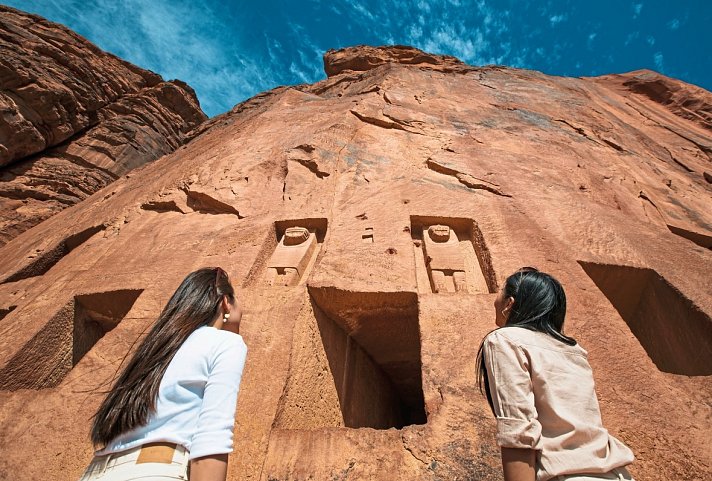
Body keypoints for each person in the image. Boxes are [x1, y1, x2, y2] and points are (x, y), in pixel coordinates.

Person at [78, 267, 248, 481]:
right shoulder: (226, 343)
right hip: (155, 471)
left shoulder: (158, 347)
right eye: (236, 298)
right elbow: (213, 435)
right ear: (225, 302)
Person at [476, 267, 635, 481]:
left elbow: (518, 433)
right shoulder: (574, 350)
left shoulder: (505, 340)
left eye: (500, 290)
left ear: (509, 304)